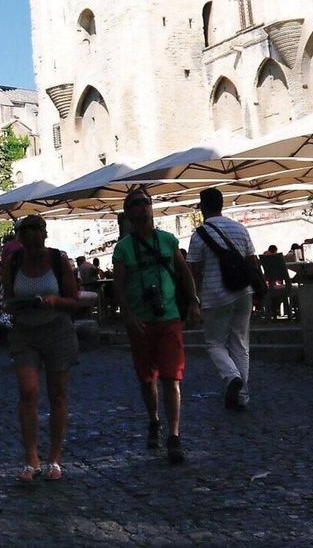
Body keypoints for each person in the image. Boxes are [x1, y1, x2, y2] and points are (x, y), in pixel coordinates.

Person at [112, 189, 201, 464]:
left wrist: (194, 301)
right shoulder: (123, 249)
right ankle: (154, 420)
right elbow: (119, 285)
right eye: (136, 204)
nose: (142, 208)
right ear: (128, 213)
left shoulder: (167, 240)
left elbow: (184, 273)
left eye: (146, 203)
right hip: (141, 321)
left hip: (169, 317)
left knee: (171, 377)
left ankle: (174, 435)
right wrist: (127, 314)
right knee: (146, 378)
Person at [2, 215, 82, 482]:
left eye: (37, 239)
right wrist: (24, 303)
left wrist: (54, 300)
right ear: (20, 240)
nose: (33, 246)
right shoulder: (13, 262)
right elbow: (7, 302)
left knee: (57, 393)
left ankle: (54, 459)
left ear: (45, 236)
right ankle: (31, 458)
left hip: (57, 329)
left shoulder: (59, 260)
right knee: (28, 390)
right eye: (27, 240)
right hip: (25, 331)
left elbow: (74, 300)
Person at [186, 187, 262, 412]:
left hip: (215, 295)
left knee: (215, 343)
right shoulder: (240, 228)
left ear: (202, 207)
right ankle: (242, 397)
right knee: (240, 343)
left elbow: (194, 270)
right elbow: (253, 262)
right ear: (222, 204)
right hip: (244, 292)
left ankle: (232, 377)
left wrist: (193, 298)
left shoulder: (199, 234)